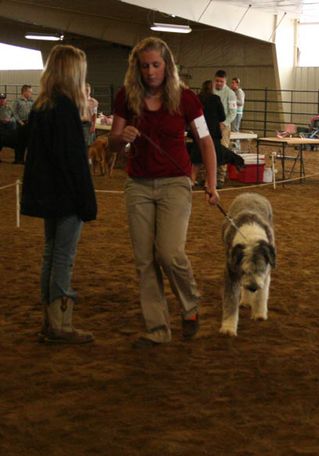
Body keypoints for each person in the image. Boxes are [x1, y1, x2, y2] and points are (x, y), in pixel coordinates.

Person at [109, 37, 220, 348]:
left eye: (156, 65)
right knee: (145, 260)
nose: (151, 71)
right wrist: (122, 136)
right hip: (138, 184)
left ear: (167, 66)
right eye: (145, 66)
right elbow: (114, 142)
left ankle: (191, 304)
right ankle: (157, 329)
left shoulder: (186, 99)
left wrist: (212, 183)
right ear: (137, 68)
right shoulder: (125, 98)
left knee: (168, 253)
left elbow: (206, 142)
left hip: (175, 183)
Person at [20, 45, 97, 344]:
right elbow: (73, 161)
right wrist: (85, 200)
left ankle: (49, 321)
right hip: (65, 196)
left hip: (48, 194)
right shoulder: (64, 108)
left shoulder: (42, 106)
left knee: (51, 254)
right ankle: (60, 324)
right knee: (63, 257)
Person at [192, 79, 225, 185]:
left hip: (200, 129)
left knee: (196, 158)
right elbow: (222, 116)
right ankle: (208, 182)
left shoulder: (197, 98)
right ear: (212, 88)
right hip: (213, 132)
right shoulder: (216, 99)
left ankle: (191, 180)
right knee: (212, 157)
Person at [213, 69, 237, 188]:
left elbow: (233, 112)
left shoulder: (231, 94)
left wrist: (224, 123)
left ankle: (220, 178)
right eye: (217, 81)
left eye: (221, 81)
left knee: (222, 150)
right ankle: (207, 177)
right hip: (211, 125)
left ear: (225, 81)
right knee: (208, 150)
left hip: (224, 127)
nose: (218, 83)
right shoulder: (210, 90)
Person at [13, 84, 34, 164]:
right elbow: (14, 112)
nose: (31, 94)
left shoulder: (32, 101)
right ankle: (18, 159)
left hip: (29, 124)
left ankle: (25, 159)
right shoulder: (17, 101)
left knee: (27, 142)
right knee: (19, 142)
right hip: (20, 124)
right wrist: (20, 122)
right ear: (24, 92)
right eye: (29, 92)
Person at [81, 82, 99, 148]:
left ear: (90, 91)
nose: (86, 92)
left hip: (88, 125)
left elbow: (94, 114)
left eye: (87, 90)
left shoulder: (94, 102)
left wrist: (93, 126)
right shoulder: (79, 101)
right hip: (79, 124)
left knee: (89, 145)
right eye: (84, 90)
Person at [230, 77, 245, 150]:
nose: (232, 84)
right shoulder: (234, 92)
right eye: (231, 83)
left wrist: (233, 99)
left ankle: (237, 147)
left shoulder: (239, 92)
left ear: (237, 84)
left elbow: (241, 102)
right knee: (234, 129)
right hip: (235, 112)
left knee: (235, 129)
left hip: (238, 112)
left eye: (233, 83)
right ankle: (235, 146)